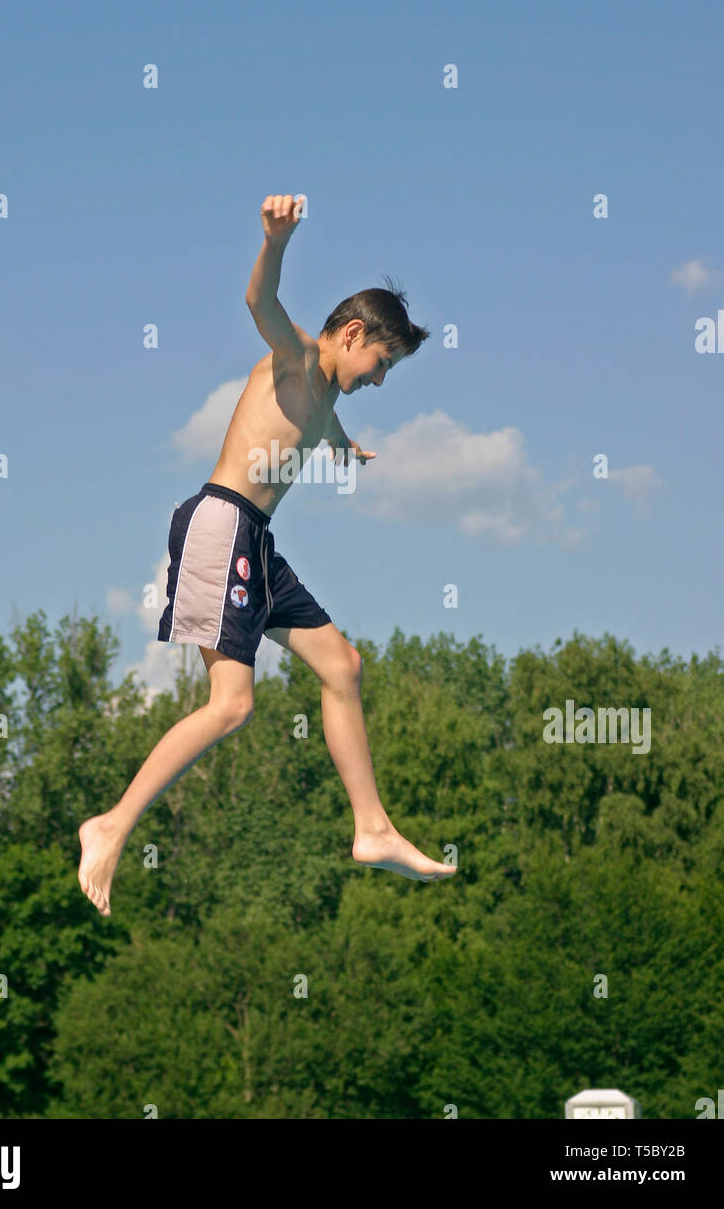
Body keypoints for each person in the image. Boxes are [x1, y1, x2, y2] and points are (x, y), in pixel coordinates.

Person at [78, 194, 456, 915]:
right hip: (221, 528)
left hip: (256, 543)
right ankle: (113, 823)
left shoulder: (324, 395)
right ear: (350, 333)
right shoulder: (293, 359)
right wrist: (275, 242)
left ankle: (372, 829)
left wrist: (343, 445)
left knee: (342, 666)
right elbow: (260, 299)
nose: (380, 380)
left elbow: (322, 420)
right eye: (380, 363)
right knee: (233, 706)